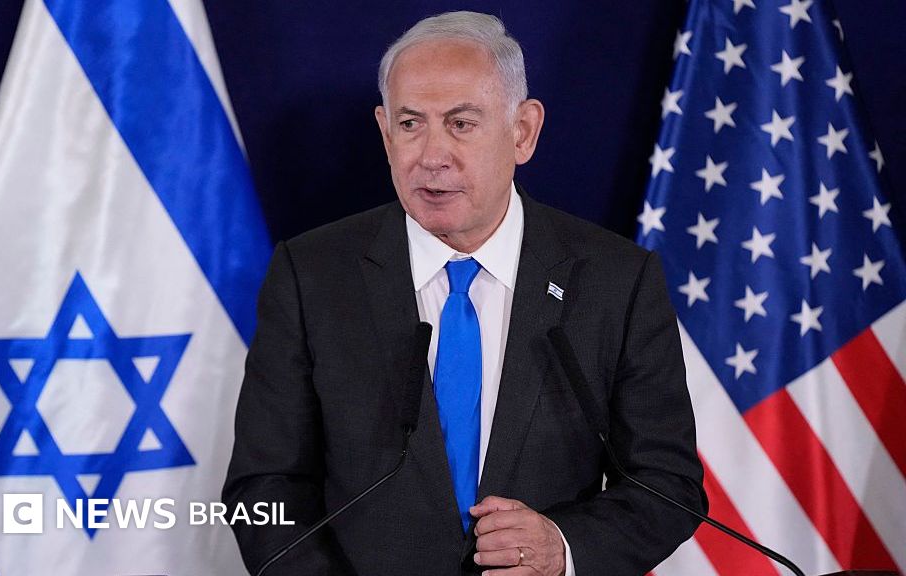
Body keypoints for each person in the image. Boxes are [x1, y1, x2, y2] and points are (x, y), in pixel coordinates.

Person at [223, 11, 705, 576]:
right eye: (410, 123)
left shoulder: (616, 280)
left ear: (523, 131)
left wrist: (563, 547)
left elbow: (667, 485)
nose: (432, 155)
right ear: (384, 132)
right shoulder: (311, 276)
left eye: (461, 123)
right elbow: (263, 491)